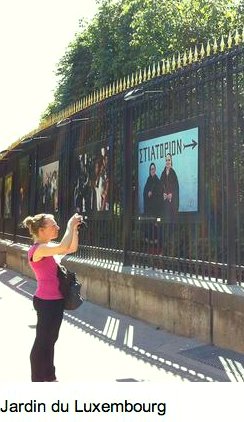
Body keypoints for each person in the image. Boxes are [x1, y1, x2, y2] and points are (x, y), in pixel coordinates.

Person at [22, 212, 82, 382]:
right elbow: (63, 247)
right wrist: (70, 225)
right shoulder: (38, 250)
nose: (57, 227)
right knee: (43, 340)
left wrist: (75, 230)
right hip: (46, 302)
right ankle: (39, 377)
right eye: (53, 225)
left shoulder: (48, 248)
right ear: (41, 230)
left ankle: (49, 375)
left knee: (50, 339)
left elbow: (70, 248)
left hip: (55, 302)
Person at [160, 153, 179, 221]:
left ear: (171, 161)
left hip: (172, 205)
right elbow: (160, 187)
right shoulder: (162, 174)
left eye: (169, 160)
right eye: (166, 160)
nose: (167, 162)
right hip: (164, 205)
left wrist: (172, 195)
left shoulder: (173, 173)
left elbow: (176, 189)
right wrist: (163, 194)